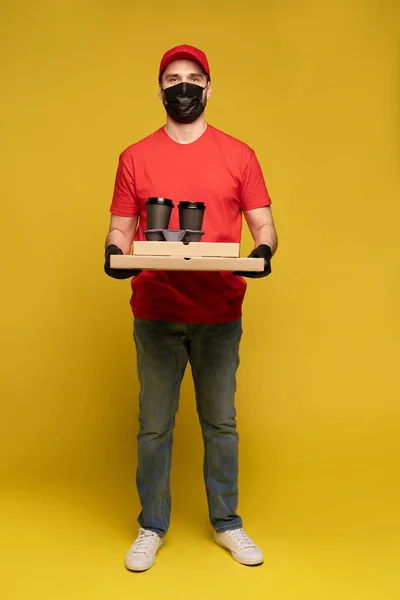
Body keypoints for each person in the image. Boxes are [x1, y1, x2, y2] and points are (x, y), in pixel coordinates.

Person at [104, 44, 278, 572]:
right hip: (155, 309)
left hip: (220, 311)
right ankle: (151, 525)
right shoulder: (135, 157)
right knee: (154, 425)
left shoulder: (239, 154)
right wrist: (114, 253)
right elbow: (121, 227)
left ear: (208, 87)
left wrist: (264, 251)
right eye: (173, 78)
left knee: (220, 423)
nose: (183, 86)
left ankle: (227, 523)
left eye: (193, 77)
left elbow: (263, 224)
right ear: (160, 89)